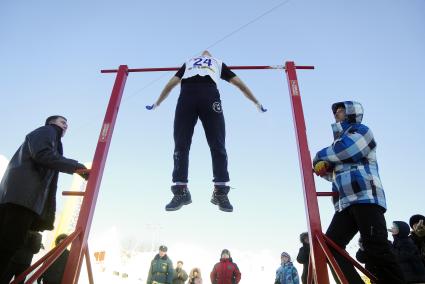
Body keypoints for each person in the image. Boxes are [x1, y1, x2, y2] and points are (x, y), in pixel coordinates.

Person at [147, 50, 266, 212]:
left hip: (209, 96)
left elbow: (239, 84)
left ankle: (220, 191)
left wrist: (256, 102)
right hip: (186, 98)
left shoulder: (217, 62)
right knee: (180, 144)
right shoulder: (189, 62)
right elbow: (171, 83)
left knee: (218, 143)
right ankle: (181, 190)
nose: (205, 52)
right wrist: (157, 102)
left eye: (207, 53)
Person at [313, 101, 404, 284]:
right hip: (346, 203)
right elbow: (335, 175)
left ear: (352, 113)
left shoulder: (361, 131)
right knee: (331, 246)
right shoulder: (337, 145)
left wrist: (318, 158)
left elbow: (348, 150)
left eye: (341, 110)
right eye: (336, 111)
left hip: (366, 197)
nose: (337, 114)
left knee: (375, 248)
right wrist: (324, 170)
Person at [0, 115, 89, 276]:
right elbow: (43, 154)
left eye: (67, 124)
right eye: (63, 122)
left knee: (7, 244)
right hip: (22, 198)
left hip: (19, 197)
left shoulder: (51, 138)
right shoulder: (48, 131)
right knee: (8, 245)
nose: (66, 126)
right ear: (52, 122)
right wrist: (76, 167)